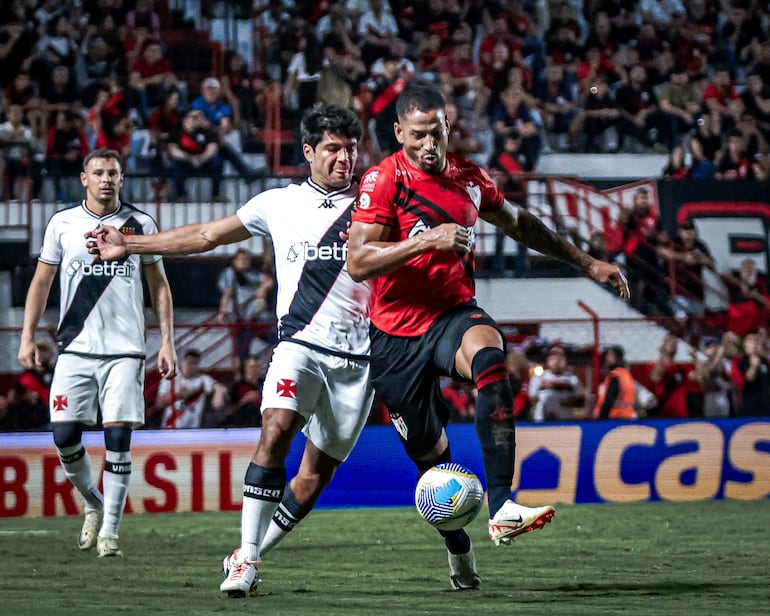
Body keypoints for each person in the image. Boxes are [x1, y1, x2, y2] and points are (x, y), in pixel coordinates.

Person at [346, 83, 629, 590]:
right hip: (393, 339)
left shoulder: (470, 179)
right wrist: (426, 240)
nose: (428, 145)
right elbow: (357, 260)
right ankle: (460, 552)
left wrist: (587, 262)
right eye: (417, 136)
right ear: (398, 134)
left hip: (452, 316)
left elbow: (522, 225)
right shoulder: (383, 180)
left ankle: (502, 506)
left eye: (436, 133)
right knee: (434, 468)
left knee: (492, 358)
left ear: (449, 128)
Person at [86, 105, 373, 598]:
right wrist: (130, 243)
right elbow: (205, 235)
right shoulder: (278, 203)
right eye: (332, 148)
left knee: (311, 480)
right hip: (297, 345)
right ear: (308, 152)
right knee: (277, 427)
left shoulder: (376, 201)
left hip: (360, 358)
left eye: (350, 149)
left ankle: (248, 552)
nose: (344, 158)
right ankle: (247, 562)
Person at [17, 148, 177, 558]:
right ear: (84, 179)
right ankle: (94, 501)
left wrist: (168, 341)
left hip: (125, 350)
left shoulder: (140, 223)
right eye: (99, 172)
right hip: (75, 349)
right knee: (64, 435)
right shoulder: (62, 224)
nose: (106, 179)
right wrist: (27, 337)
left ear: (122, 179)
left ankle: (110, 532)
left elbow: (158, 285)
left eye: (113, 173)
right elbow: (40, 283)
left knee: (118, 436)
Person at [216, 248, 277, 371]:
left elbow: (268, 281)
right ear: (235, 260)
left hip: (257, 317)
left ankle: (267, 368)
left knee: (276, 338)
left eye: (247, 259)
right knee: (240, 352)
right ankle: (240, 375)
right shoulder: (230, 273)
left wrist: (262, 289)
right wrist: (223, 311)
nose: (245, 262)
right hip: (241, 319)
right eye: (242, 259)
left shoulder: (252, 273)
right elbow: (227, 293)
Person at [153, 348, 228, 429]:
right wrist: (176, 396)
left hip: (192, 430)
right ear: (182, 362)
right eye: (189, 363)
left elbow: (221, 388)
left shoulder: (202, 379)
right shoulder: (170, 379)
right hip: (170, 428)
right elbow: (159, 404)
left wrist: (218, 394)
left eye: (195, 363)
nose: (191, 366)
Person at [528, 346, 585, 422]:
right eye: (553, 356)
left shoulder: (573, 379)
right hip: (541, 421)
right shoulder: (538, 378)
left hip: (564, 421)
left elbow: (581, 402)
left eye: (561, 357)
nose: (557, 360)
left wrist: (569, 402)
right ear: (548, 360)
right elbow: (532, 399)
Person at [592, 345, 637, 420]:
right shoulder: (626, 374)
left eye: (610, 355)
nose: (607, 358)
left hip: (616, 417)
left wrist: (601, 418)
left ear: (617, 357)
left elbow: (609, 400)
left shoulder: (615, 375)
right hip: (628, 415)